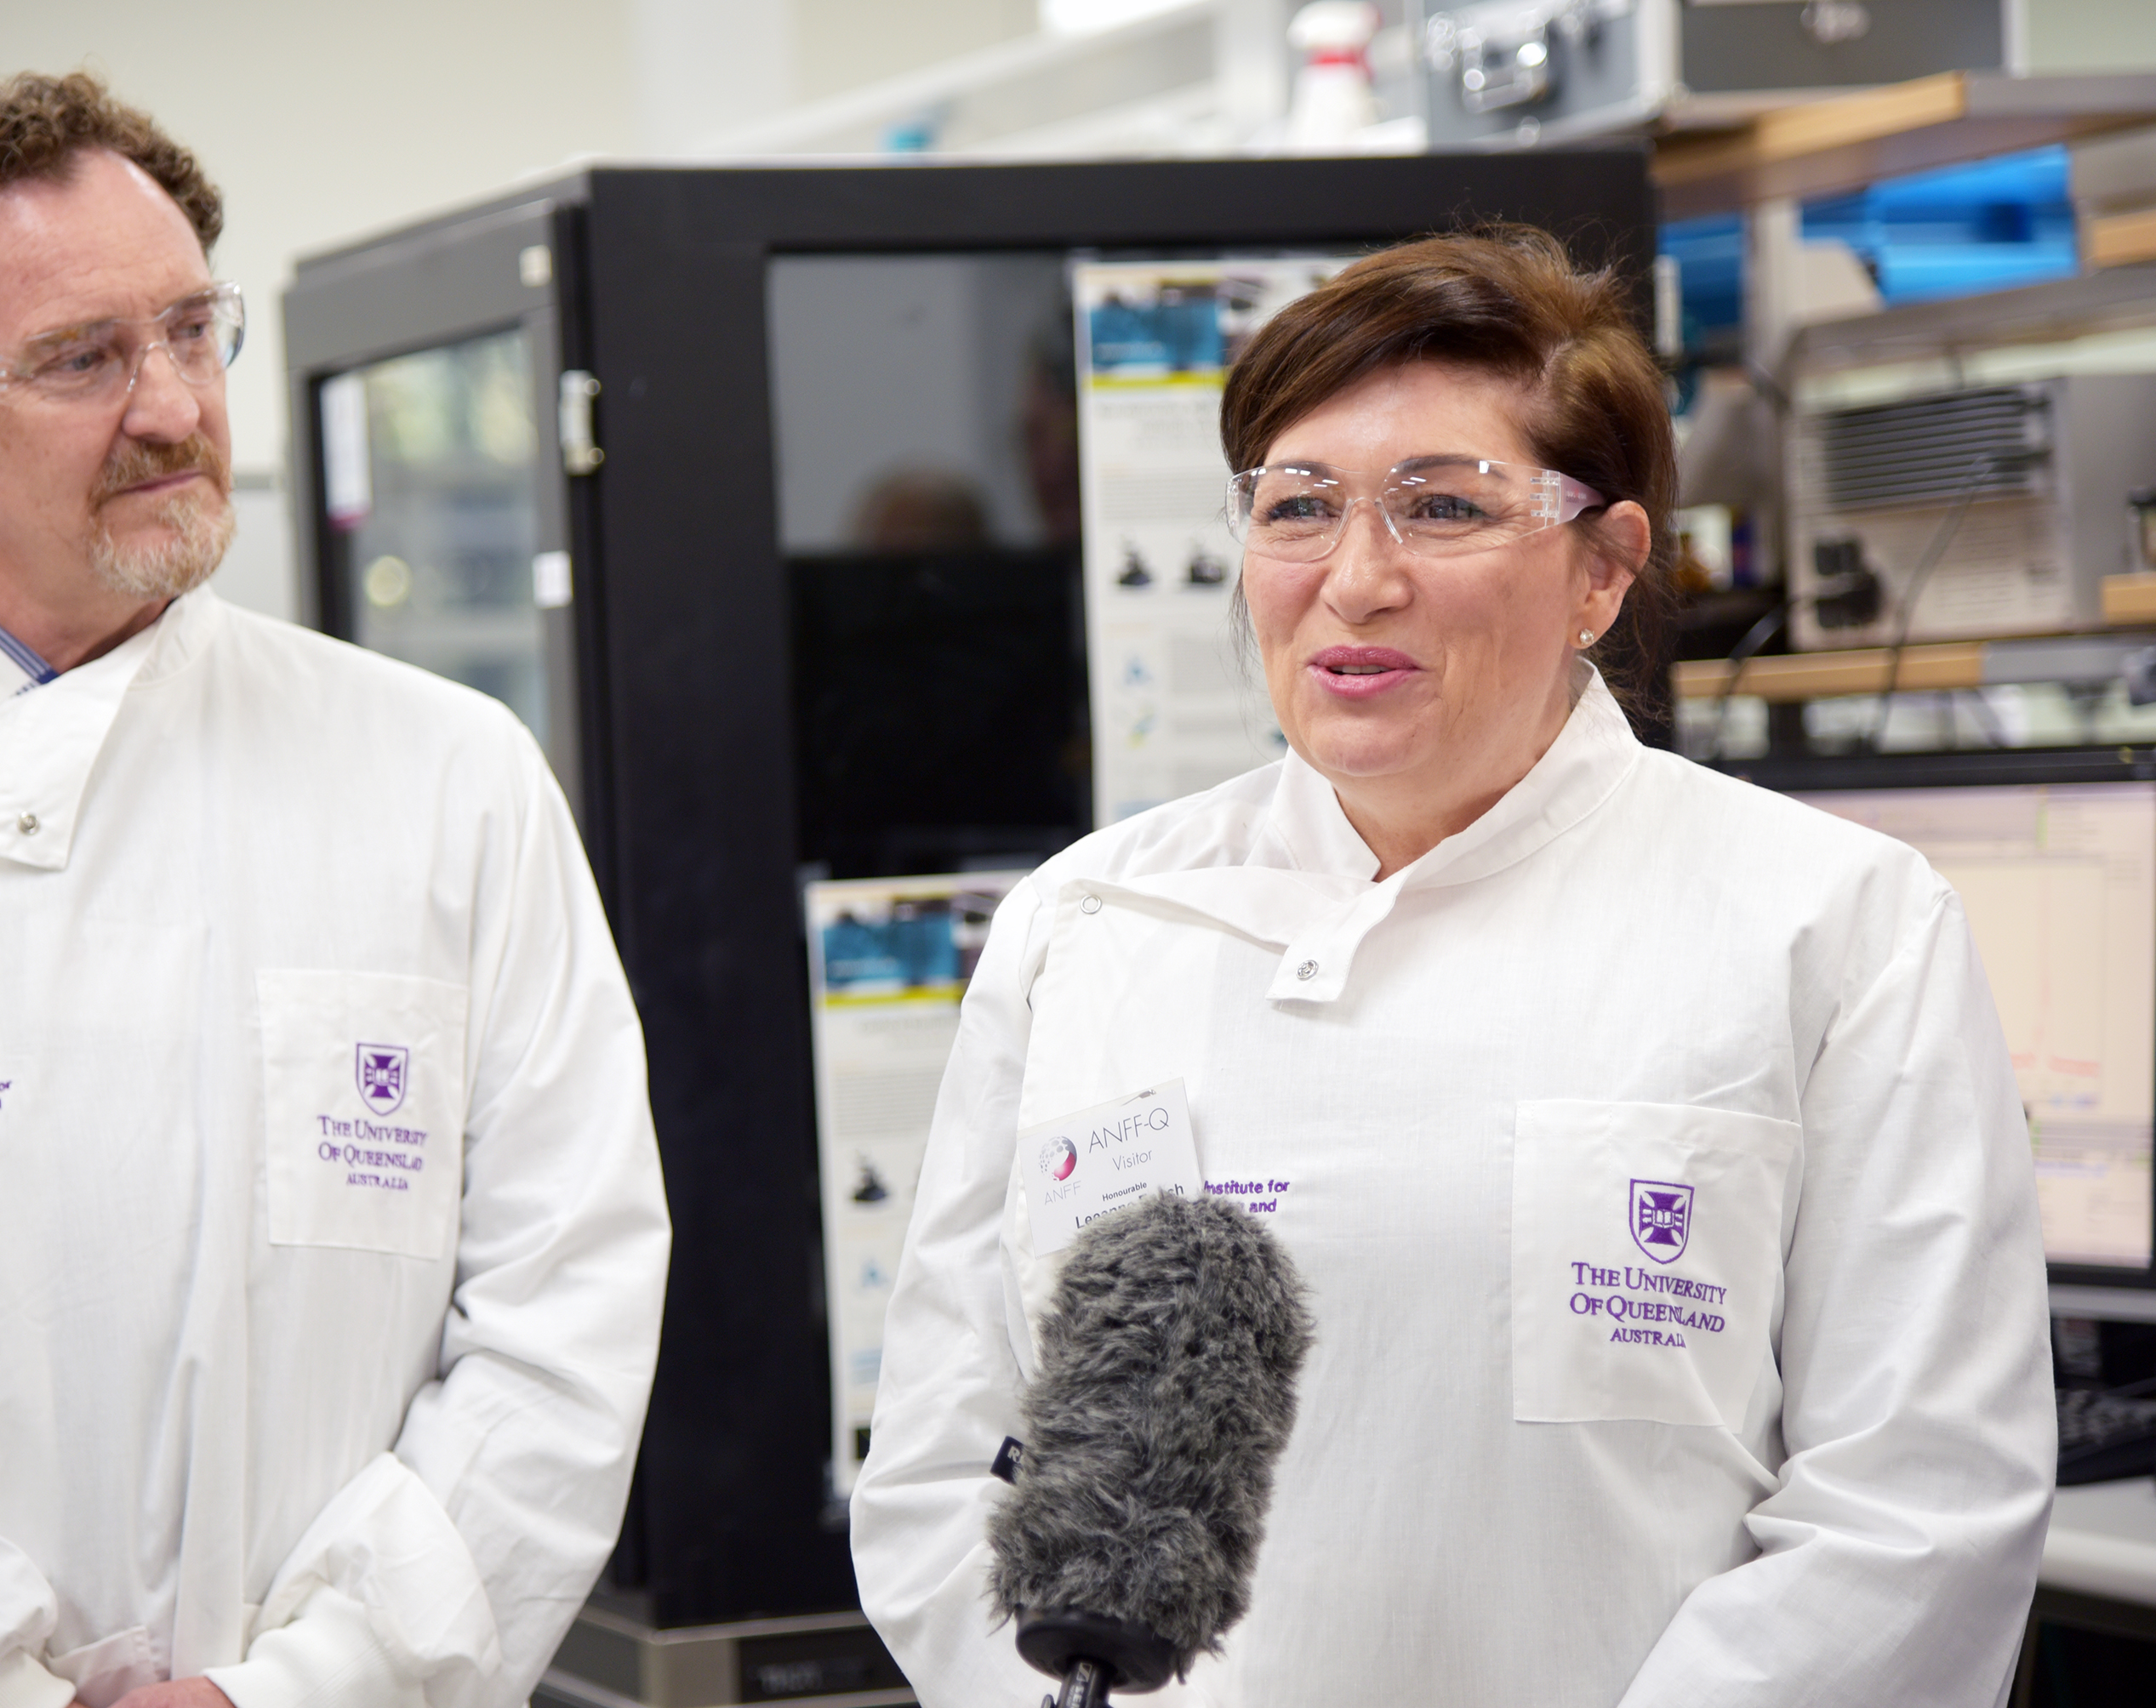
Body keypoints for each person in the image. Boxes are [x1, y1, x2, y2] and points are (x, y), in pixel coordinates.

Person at [849, 229, 2051, 1707]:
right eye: (1299, 507)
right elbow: (938, 1465)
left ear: (1604, 571)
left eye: (1440, 507)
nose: (1356, 581)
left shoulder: (1832, 924)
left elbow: (1916, 1512)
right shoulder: (1089, 926)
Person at [0, 73, 669, 1708]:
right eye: (81, 359)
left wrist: (309, 1685)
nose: (176, 407)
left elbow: (568, 1311)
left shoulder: (443, 774)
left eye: (195, 332)